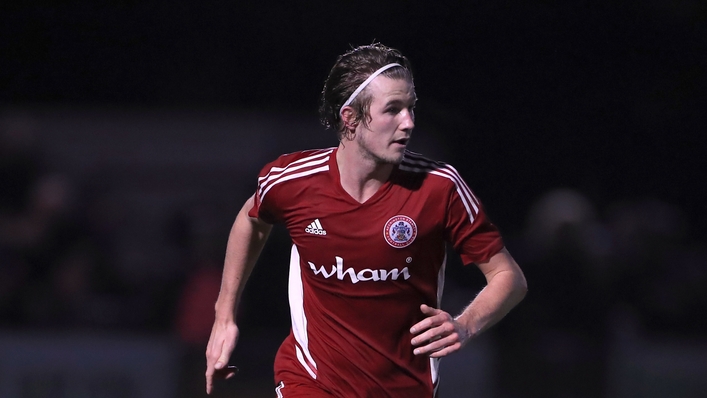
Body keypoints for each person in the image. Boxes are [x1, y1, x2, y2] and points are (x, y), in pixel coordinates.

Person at [205, 43, 527, 397]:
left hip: (405, 387)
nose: (409, 123)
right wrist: (225, 314)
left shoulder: (440, 187)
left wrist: (464, 325)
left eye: (411, 108)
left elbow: (508, 277)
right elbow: (251, 219)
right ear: (350, 118)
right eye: (393, 109)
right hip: (310, 380)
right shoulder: (292, 181)